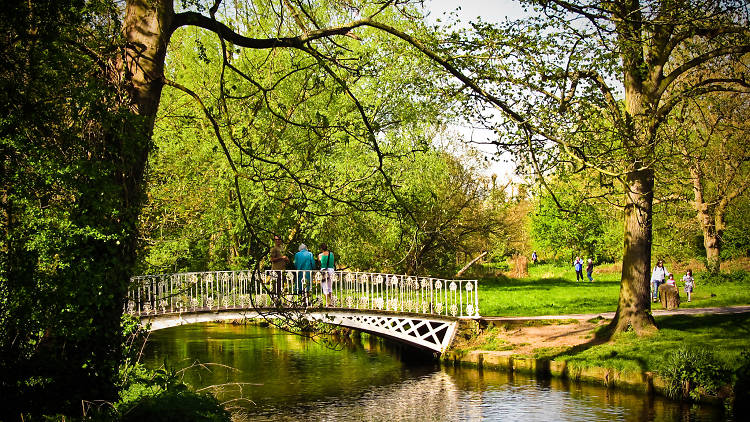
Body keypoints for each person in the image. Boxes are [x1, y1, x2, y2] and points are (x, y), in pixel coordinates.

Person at [270, 235, 289, 302]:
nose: (277, 241)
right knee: (276, 286)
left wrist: (286, 259)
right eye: (276, 240)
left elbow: (284, 258)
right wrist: (281, 258)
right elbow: (271, 259)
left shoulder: (282, 248)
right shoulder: (274, 249)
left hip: (282, 270)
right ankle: (275, 300)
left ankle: (280, 299)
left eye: (279, 239)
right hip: (276, 270)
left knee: (281, 286)